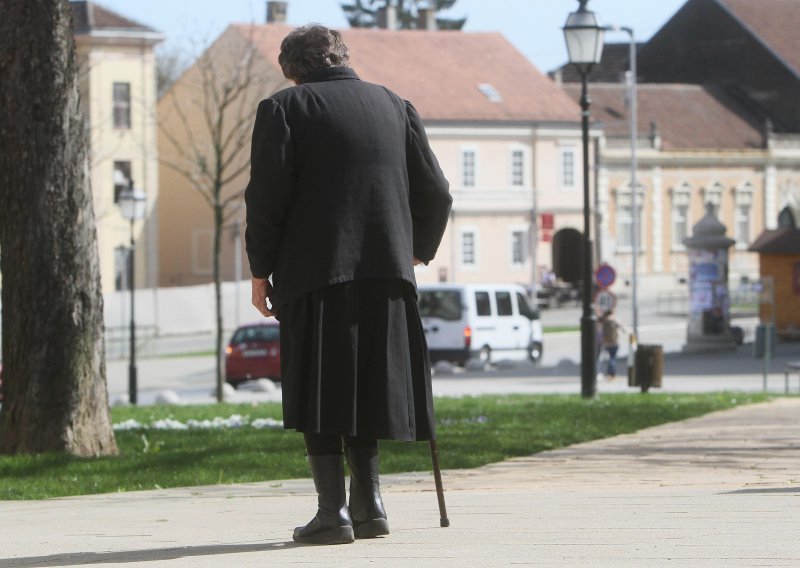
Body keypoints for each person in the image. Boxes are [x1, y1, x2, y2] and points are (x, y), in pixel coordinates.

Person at [244, 25, 452, 545]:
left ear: (291, 69)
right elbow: (438, 192)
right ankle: (370, 506)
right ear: (342, 58)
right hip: (386, 274)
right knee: (365, 384)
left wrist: (259, 270)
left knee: (320, 388)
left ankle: (330, 513)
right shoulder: (394, 105)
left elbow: (266, 200)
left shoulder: (285, 109)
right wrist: (416, 251)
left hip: (314, 272)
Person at [598, 309, 627, 380]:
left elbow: (599, 330)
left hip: (606, 342)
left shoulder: (603, 320)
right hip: (614, 342)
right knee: (612, 358)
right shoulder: (615, 319)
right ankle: (611, 374)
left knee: (603, 358)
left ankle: (603, 373)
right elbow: (624, 329)